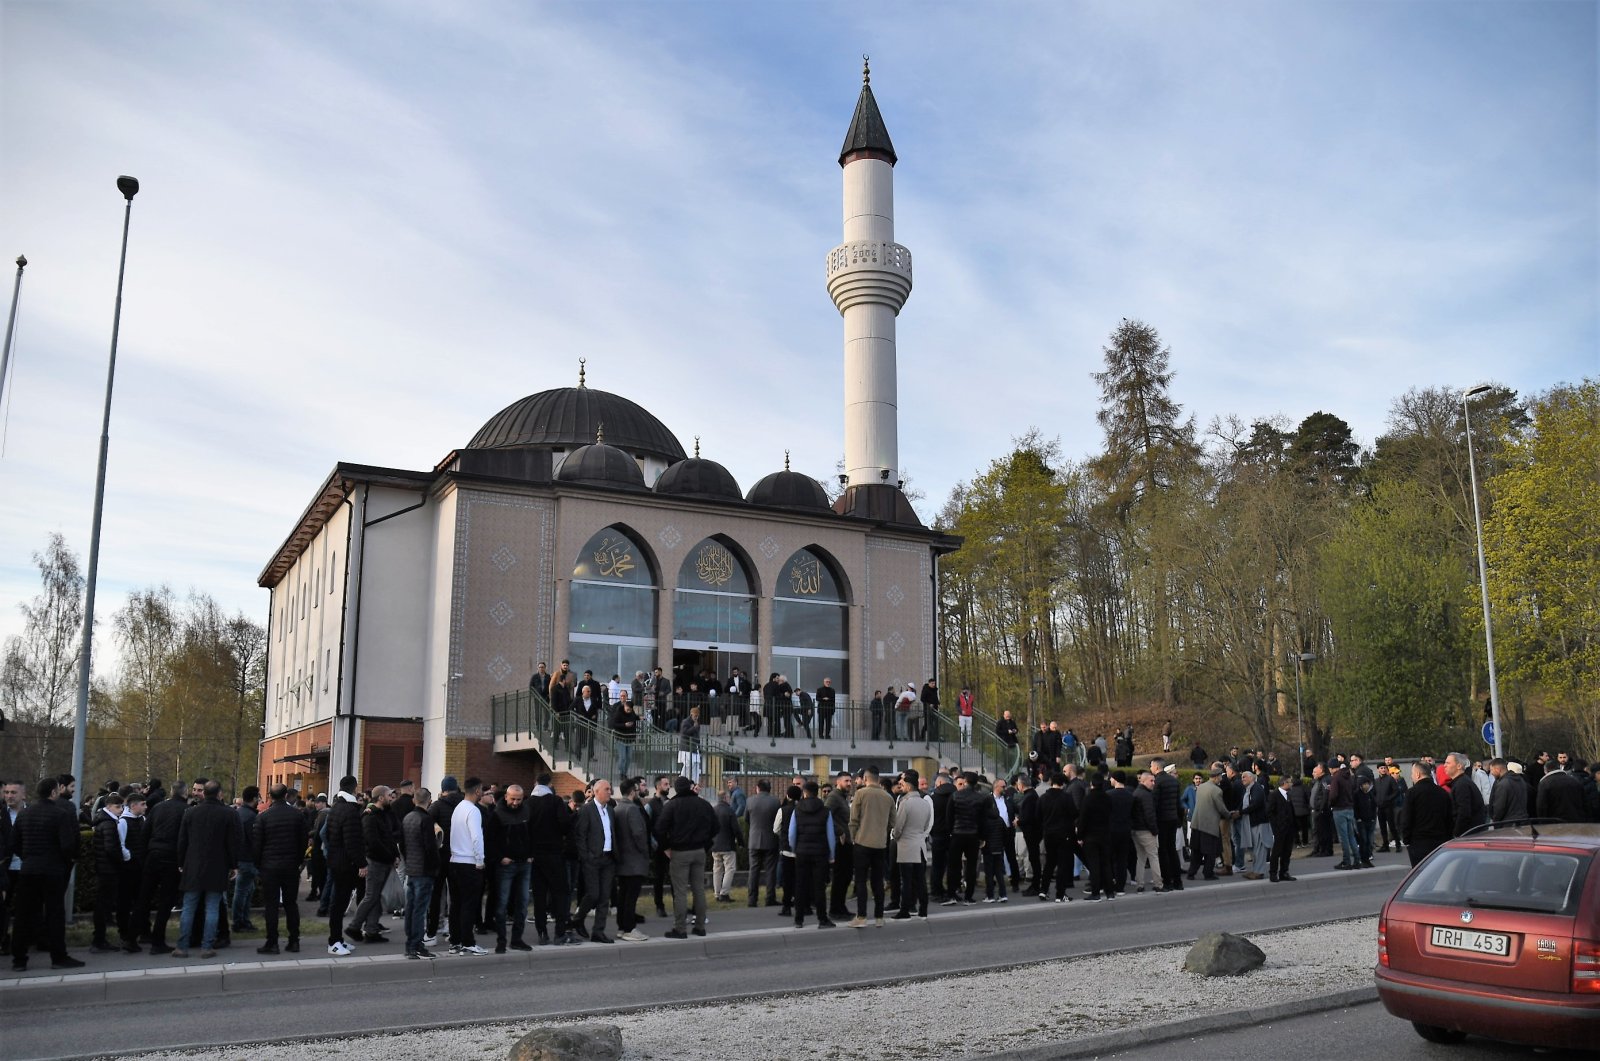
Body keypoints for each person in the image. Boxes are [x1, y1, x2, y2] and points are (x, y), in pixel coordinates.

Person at [10, 777, 82, 971]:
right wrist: (64, 861)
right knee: (54, 914)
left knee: (23, 915)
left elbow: (14, 842)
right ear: (53, 793)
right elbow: (68, 845)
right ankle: (58, 957)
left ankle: (19, 959)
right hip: (52, 870)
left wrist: (27, 856)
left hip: (28, 869)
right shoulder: (60, 814)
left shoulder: (24, 814)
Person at [174, 780, 239, 960]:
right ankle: (207, 946)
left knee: (189, 908)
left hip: (193, 865)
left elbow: (182, 841)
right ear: (219, 794)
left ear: (204, 793)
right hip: (217, 866)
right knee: (212, 908)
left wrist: (181, 862)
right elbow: (232, 843)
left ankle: (182, 947)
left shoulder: (190, 812)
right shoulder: (228, 814)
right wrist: (234, 865)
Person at [656, 775, 716, 939]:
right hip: (699, 851)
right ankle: (700, 926)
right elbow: (716, 827)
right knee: (699, 890)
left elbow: (660, 829)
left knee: (680, 891)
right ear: (690, 788)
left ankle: (680, 928)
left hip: (679, 852)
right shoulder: (703, 804)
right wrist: (705, 844)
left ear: (676, 788)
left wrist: (666, 847)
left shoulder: (672, 805)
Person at [569, 778, 619, 945]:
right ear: (596, 792)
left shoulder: (610, 810)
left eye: (610, 789)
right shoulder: (587, 810)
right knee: (594, 894)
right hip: (592, 859)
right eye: (607, 789)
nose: (610, 792)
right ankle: (578, 918)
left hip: (608, 859)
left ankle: (598, 931)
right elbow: (580, 835)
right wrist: (586, 856)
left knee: (605, 897)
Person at [347, 785, 400, 943]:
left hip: (383, 861)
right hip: (375, 861)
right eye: (389, 795)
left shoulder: (383, 814)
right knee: (371, 896)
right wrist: (391, 856)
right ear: (381, 798)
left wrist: (395, 855)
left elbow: (389, 837)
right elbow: (373, 842)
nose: (391, 798)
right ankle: (354, 926)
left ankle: (371, 930)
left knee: (375, 897)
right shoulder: (370, 817)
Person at [525, 773, 573, 946]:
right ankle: (559, 932)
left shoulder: (529, 803)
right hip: (554, 853)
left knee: (539, 895)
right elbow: (565, 824)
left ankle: (542, 932)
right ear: (550, 784)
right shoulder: (555, 801)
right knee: (560, 893)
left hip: (535, 856)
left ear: (536, 783)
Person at [486, 784, 533, 954]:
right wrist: (500, 857)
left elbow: (532, 834)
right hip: (506, 864)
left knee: (522, 904)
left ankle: (517, 939)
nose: (515, 803)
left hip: (523, 863)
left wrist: (531, 854)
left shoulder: (526, 811)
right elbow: (490, 839)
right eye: (513, 799)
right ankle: (501, 940)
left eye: (519, 799)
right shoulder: (497, 814)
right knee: (502, 904)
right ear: (506, 797)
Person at [848, 767, 894, 926]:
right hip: (880, 844)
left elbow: (853, 820)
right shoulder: (888, 797)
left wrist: (854, 837)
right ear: (878, 779)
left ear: (866, 779)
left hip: (862, 842)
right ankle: (879, 917)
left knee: (861, 880)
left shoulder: (860, 794)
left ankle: (861, 916)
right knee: (877, 880)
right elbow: (892, 823)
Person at [447, 777, 488, 955]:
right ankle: (468, 942)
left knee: (456, 904)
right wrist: (480, 860)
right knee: (469, 904)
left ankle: (455, 941)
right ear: (478, 791)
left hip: (454, 860)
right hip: (469, 862)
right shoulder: (473, 810)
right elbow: (477, 837)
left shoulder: (458, 808)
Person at [788, 780, 836, 929]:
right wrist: (831, 854)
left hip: (802, 852)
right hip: (820, 853)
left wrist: (795, 848)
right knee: (819, 887)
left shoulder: (797, 810)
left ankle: (799, 919)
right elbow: (831, 836)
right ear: (818, 793)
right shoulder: (825, 811)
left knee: (800, 885)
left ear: (805, 792)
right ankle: (822, 919)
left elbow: (791, 834)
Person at [90, 792, 128, 953]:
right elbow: (111, 848)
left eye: (121, 807)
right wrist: (121, 860)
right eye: (117, 807)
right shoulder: (109, 824)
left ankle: (99, 938)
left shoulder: (103, 821)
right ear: (108, 807)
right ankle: (99, 940)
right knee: (103, 906)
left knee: (102, 905)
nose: (120, 810)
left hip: (103, 868)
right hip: (108, 870)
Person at [891, 769, 931, 920]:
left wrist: (895, 835)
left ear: (908, 785)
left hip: (906, 845)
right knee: (920, 880)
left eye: (903, 784)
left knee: (906, 880)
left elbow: (899, 826)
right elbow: (926, 824)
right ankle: (923, 909)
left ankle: (905, 910)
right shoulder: (925, 802)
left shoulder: (904, 803)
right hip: (920, 845)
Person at [1399, 762, 1453, 864]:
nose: (1411, 776)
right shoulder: (1442, 793)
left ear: (1418, 774)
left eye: (1412, 773)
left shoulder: (1412, 793)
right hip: (1440, 842)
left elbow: (1406, 818)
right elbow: (1449, 818)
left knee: (1421, 874)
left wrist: (1406, 839)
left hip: (1419, 842)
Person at [1186, 768, 1228, 882]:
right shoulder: (1216, 790)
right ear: (1216, 777)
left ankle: (1191, 873)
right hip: (1209, 825)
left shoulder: (1201, 787)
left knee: (1196, 851)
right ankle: (1208, 873)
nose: (1221, 778)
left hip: (1196, 823)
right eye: (1220, 776)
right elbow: (1221, 808)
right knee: (1210, 852)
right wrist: (1229, 815)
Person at [744, 779, 780, 907]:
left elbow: (746, 819)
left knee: (754, 870)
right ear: (769, 789)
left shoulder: (750, 801)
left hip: (754, 840)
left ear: (757, 788)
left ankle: (752, 900)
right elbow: (778, 821)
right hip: (771, 839)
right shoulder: (775, 801)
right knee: (771, 870)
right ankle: (770, 898)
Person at [230, 786, 260, 932]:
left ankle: (242, 920)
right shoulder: (251, 817)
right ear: (254, 799)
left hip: (239, 857)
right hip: (247, 858)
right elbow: (254, 840)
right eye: (258, 798)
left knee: (245, 890)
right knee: (243, 891)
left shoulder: (238, 813)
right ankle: (240, 921)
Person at [1443, 752, 1487, 837]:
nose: (1444, 765)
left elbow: (1464, 813)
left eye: (1448, 763)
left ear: (1459, 766)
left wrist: (1456, 834)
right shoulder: (1461, 782)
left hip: (1468, 835)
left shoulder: (1462, 784)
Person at [710, 791, 742, 903]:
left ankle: (717, 893)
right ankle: (724, 893)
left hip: (715, 845)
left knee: (717, 869)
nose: (730, 799)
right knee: (730, 869)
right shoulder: (729, 811)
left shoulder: (713, 810)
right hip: (728, 845)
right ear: (725, 798)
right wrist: (741, 842)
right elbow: (736, 829)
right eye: (729, 797)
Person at [1268, 775, 1297, 881]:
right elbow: (1270, 812)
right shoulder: (1274, 795)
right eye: (1289, 782)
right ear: (1284, 783)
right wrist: (1275, 827)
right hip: (1279, 829)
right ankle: (1273, 873)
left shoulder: (1288, 795)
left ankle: (1284, 872)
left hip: (1289, 828)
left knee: (1287, 852)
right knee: (1276, 852)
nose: (1291, 784)